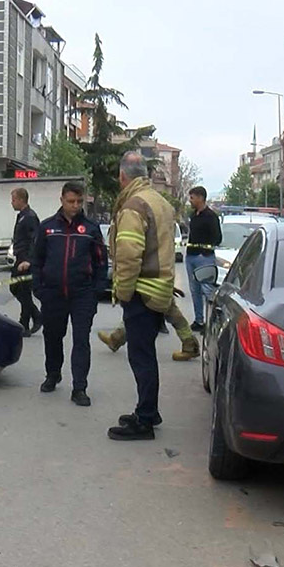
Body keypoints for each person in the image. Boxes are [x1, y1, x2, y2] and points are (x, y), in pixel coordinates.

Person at [107, 151, 177, 441]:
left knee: (141, 357)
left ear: (123, 176)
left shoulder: (134, 206)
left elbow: (128, 254)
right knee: (146, 354)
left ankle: (145, 419)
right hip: (159, 290)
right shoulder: (161, 202)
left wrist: (123, 292)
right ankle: (149, 410)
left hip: (141, 292)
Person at [26, 182, 108, 407]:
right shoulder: (48, 227)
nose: (75, 206)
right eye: (71, 201)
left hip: (82, 294)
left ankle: (79, 387)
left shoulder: (90, 229)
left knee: (81, 340)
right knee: (53, 336)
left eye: (79, 202)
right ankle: (53, 374)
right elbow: (37, 260)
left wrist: (96, 291)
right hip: (53, 293)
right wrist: (38, 287)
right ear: (61, 199)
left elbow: (101, 261)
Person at [98, 299, 200, 361]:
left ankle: (116, 339)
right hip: (160, 284)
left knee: (137, 313)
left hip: (151, 284)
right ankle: (190, 345)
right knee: (171, 312)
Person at [185, 185, 222, 332]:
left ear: (200, 198)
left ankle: (213, 322)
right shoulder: (194, 216)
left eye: (192, 197)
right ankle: (199, 320)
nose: (190, 201)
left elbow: (217, 238)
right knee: (195, 291)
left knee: (207, 290)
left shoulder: (211, 216)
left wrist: (205, 251)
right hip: (191, 256)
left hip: (203, 258)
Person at [10, 187, 42, 337]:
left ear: (22, 200)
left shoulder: (30, 216)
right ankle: (36, 316)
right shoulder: (22, 216)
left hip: (25, 260)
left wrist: (29, 260)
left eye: (14, 199)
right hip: (20, 257)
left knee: (23, 290)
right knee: (15, 288)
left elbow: (35, 240)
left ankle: (25, 324)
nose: (12, 202)